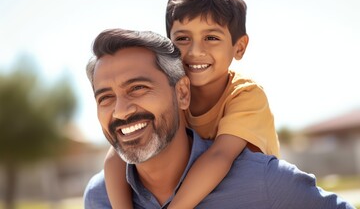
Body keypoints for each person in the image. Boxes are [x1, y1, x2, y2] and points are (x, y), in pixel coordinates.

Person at [83, 28, 354, 209]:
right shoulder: (99, 197)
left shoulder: (265, 182)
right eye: (104, 97)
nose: (120, 110)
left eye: (138, 88)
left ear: (182, 93)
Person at [104, 0, 280, 209]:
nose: (196, 51)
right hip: (192, 191)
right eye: (183, 39)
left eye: (211, 38)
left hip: (249, 193)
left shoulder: (245, 95)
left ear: (239, 47)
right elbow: (116, 156)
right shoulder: (169, 94)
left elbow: (220, 157)